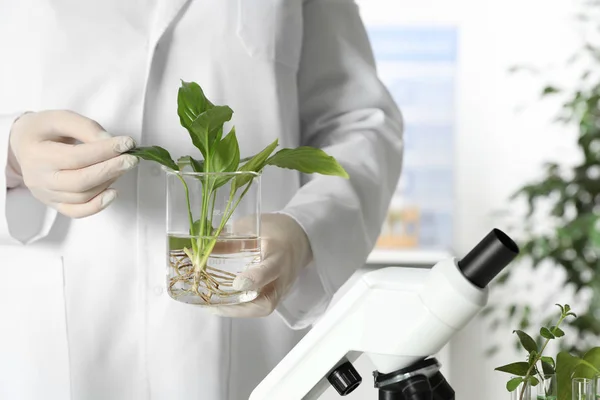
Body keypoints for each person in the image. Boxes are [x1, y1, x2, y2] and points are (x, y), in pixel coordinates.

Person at [0, 1, 404, 399]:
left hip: (243, 310)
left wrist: (304, 230)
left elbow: (360, 122)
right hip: (47, 330)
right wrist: (12, 154)